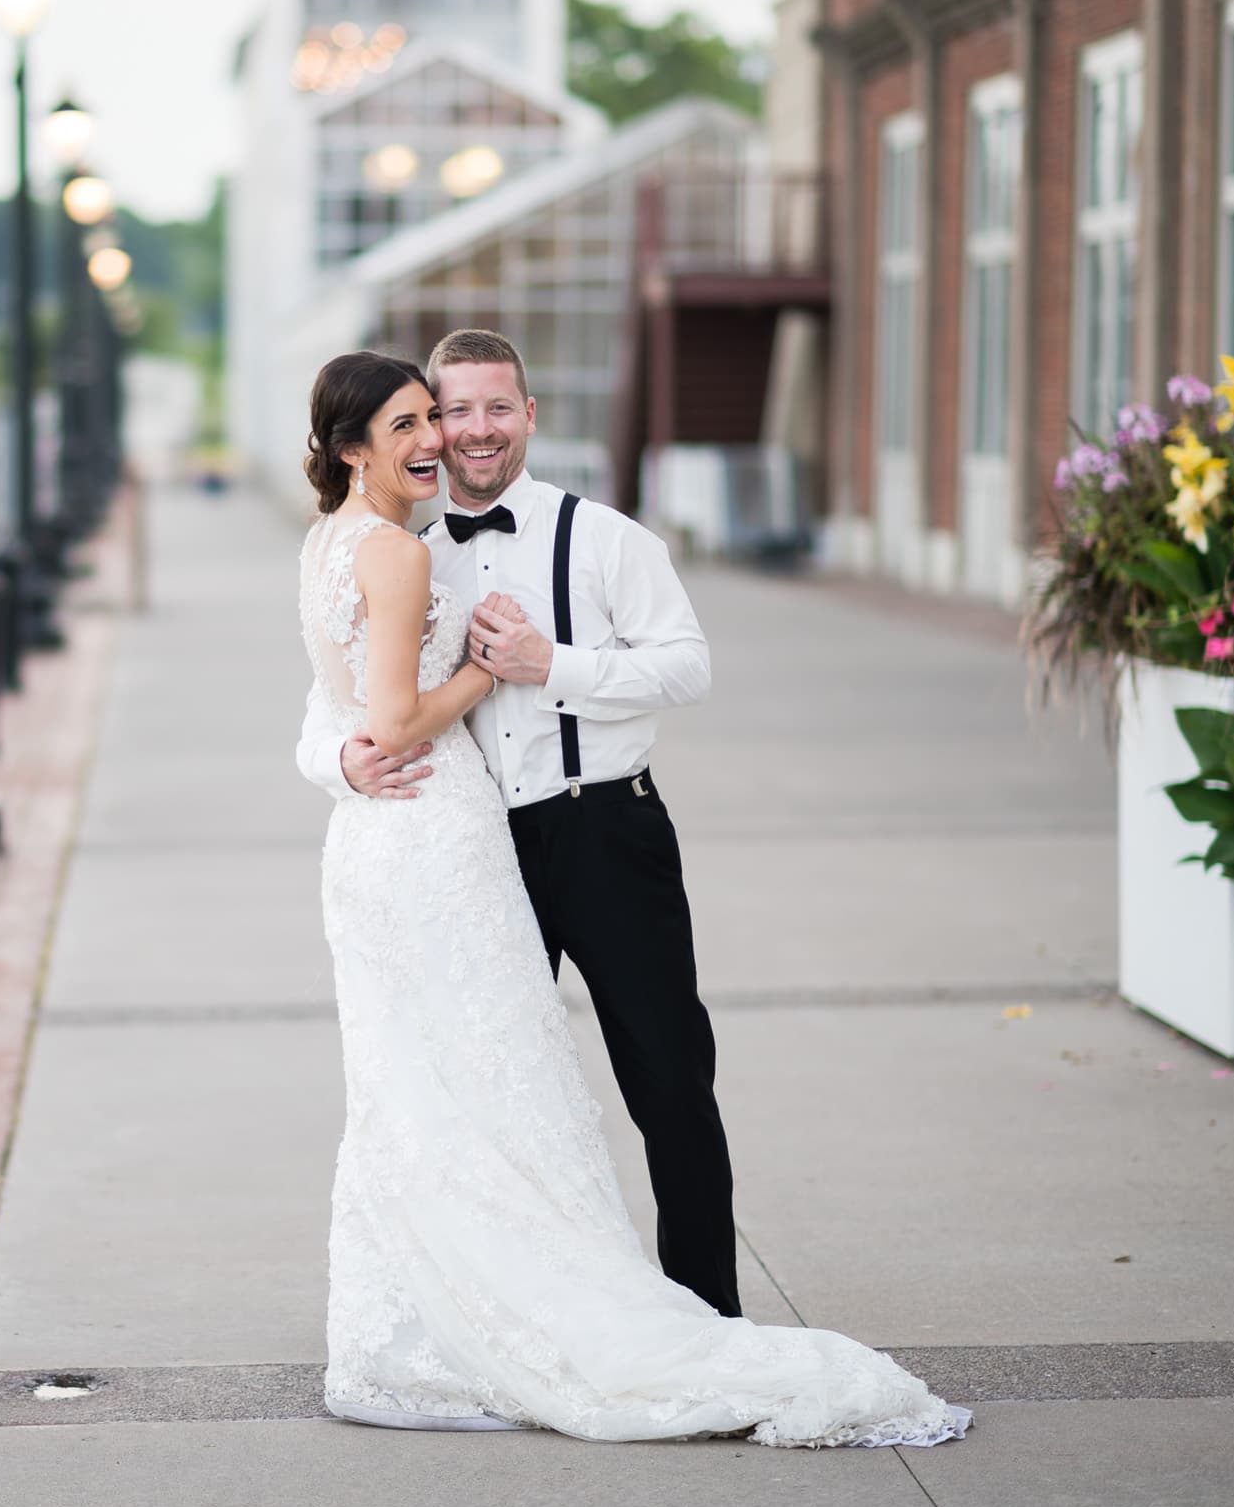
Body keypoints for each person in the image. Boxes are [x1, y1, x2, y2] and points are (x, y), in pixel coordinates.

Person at [290, 342, 968, 1446]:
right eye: (445, 412)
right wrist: (342, 762)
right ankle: (497, 1316)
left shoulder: (605, 537)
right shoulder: (407, 543)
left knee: (667, 1078)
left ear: (528, 411)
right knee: (480, 1094)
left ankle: (705, 1312)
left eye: (492, 408)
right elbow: (345, 702)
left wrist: (549, 664)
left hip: (603, 829)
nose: (468, 431)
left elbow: (686, 665)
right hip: (471, 848)